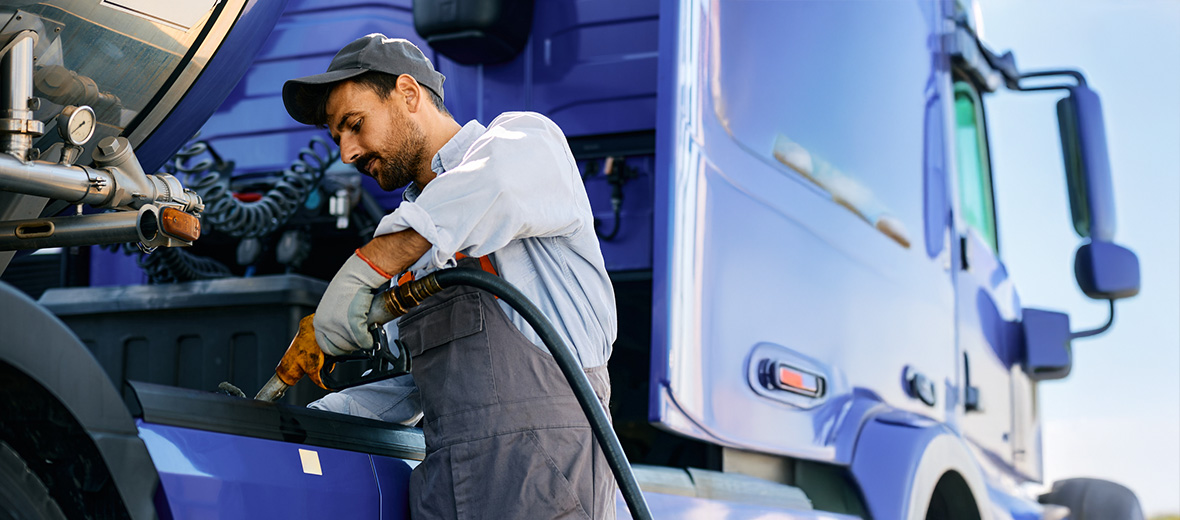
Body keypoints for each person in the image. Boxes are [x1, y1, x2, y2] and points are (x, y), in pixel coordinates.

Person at [282, 34, 618, 519]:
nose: (347, 153)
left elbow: (494, 185)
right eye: (338, 139)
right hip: (446, 485)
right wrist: (300, 423)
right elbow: (422, 384)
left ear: (408, 93)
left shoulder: (526, 143)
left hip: (544, 479)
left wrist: (361, 274)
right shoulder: (410, 235)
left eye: (354, 125)